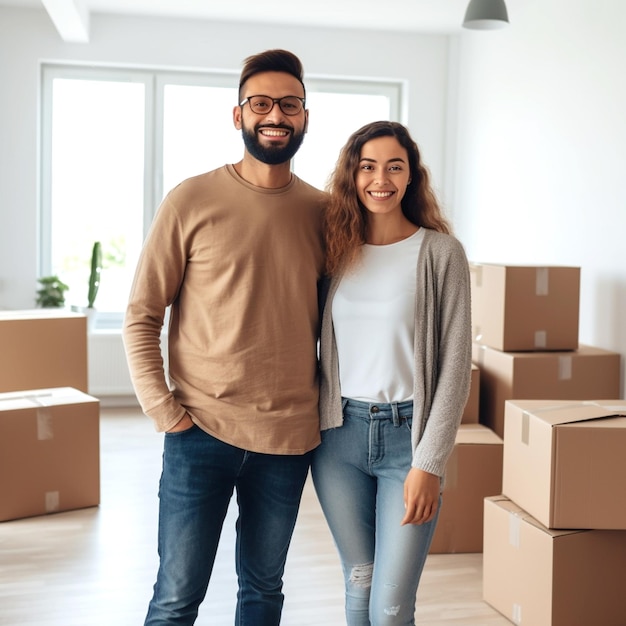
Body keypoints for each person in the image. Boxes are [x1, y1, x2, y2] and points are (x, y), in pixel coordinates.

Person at [123, 49, 325, 625]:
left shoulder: (322, 212)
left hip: (287, 441)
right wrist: (164, 411)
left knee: (263, 594)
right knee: (175, 598)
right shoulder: (191, 199)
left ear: (305, 116)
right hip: (199, 433)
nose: (275, 115)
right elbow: (142, 312)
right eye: (260, 103)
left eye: (289, 104)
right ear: (237, 116)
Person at [311, 121, 472, 625]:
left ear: (410, 177)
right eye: (368, 166)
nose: (380, 178)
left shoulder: (441, 253)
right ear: (352, 175)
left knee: (390, 606)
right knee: (359, 584)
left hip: (409, 441)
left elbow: (455, 367)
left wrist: (430, 461)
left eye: (394, 166)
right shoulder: (334, 250)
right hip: (337, 439)